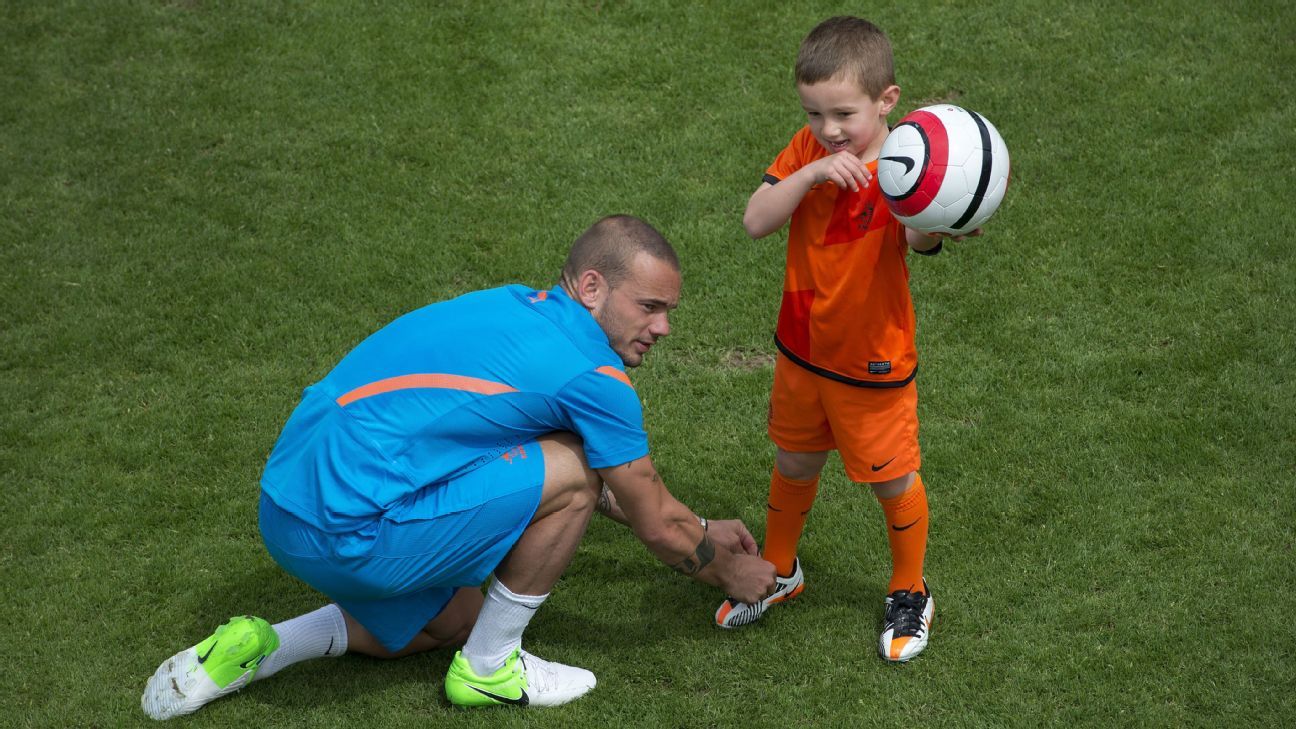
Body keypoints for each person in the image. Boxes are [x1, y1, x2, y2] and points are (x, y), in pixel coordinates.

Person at [141, 215, 777, 719]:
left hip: (283, 508)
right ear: (591, 288)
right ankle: (491, 669)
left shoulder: (510, 305)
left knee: (456, 618)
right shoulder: (594, 376)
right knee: (580, 470)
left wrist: (694, 519)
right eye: (649, 307)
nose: (663, 327)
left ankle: (260, 647)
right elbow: (653, 521)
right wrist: (728, 569)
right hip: (350, 533)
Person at [712, 17, 982, 663]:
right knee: (795, 460)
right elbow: (755, 220)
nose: (828, 128)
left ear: (886, 100)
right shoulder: (807, 151)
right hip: (802, 350)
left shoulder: (908, 168)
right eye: (814, 113)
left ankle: (910, 587)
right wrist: (810, 174)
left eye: (843, 114)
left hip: (872, 362)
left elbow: (921, 237)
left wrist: (938, 215)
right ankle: (780, 568)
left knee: (891, 479)